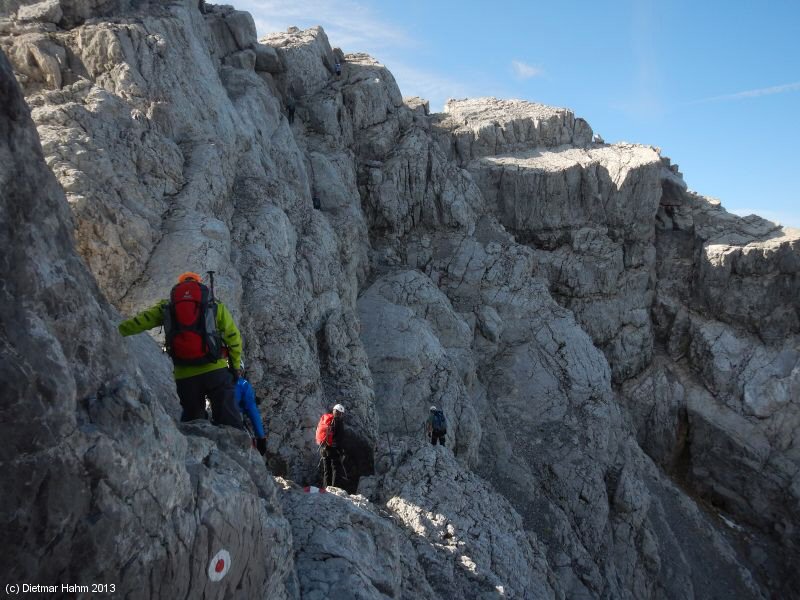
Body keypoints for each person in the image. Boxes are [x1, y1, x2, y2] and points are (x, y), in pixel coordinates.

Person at [118, 272, 243, 429]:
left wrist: (116, 330)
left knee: (194, 424)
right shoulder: (214, 305)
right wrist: (235, 366)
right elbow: (234, 338)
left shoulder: (168, 306)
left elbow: (141, 321)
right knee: (230, 422)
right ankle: (237, 450)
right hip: (215, 371)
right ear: (199, 284)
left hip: (185, 375)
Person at [236, 359, 267, 455]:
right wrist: (261, 437)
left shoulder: (217, 382)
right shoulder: (243, 384)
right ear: (240, 371)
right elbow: (252, 411)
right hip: (235, 421)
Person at [315, 404, 346, 487]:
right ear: (341, 413)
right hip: (333, 449)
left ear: (333, 410)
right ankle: (333, 488)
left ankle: (326, 488)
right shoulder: (339, 422)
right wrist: (341, 451)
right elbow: (340, 439)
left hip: (323, 447)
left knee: (326, 470)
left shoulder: (327, 420)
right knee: (336, 469)